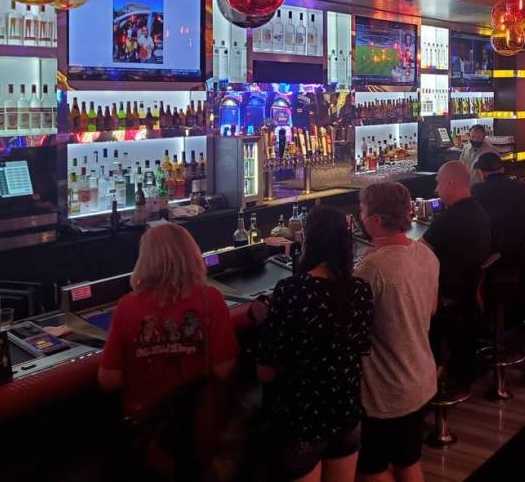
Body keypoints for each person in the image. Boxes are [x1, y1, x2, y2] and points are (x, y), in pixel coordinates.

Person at [257, 206, 374, 482]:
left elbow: (265, 372)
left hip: (301, 421)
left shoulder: (291, 291)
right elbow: (360, 349)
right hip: (346, 413)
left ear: (308, 241)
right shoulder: (360, 290)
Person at [98, 223, 238, 416]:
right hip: (196, 421)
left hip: (145, 428)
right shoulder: (210, 299)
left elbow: (109, 380)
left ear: (145, 259)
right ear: (192, 255)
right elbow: (224, 368)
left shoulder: (126, 306)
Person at [355, 182, 438, 482]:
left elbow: (352, 329)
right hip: (421, 379)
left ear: (376, 220)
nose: (361, 219)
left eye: (362, 212)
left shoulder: (371, 269)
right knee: (407, 460)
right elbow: (431, 309)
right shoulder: (426, 254)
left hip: (386, 392)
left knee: (370, 469)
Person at [473, 152, 525, 388]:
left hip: (500, 268)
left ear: (481, 172)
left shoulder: (477, 192)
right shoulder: (522, 188)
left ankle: (474, 354)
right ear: (502, 169)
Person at [422, 161, 492, 385]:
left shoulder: (451, 218)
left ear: (450, 184)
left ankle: (423, 377)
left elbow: (417, 251)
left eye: (438, 184)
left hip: (450, 298)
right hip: (470, 297)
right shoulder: (478, 209)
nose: (436, 190)